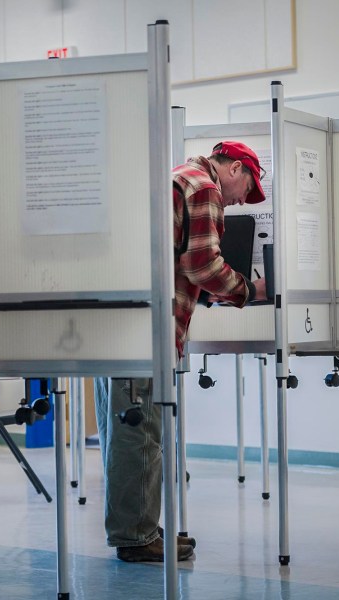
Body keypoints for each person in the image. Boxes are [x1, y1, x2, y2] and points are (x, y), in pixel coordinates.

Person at [95, 141, 267, 562]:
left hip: (120, 327)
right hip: (148, 331)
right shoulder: (203, 187)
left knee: (124, 435)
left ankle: (139, 527)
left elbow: (177, 261)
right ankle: (136, 538)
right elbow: (203, 265)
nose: (244, 198)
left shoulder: (174, 178)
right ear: (235, 168)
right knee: (141, 435)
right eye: (249, 186)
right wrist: (249, 289)